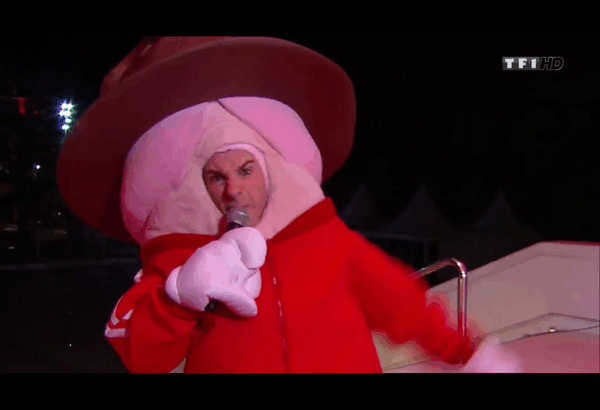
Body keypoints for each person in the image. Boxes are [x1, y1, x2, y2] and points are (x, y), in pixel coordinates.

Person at [56, 37, 523, 373]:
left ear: (270, 171)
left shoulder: (327, 238)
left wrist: (466, 352)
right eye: (216, 177)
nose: (233, 191)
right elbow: (139, 354)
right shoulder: (182, 258)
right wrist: (180, 296)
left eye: (246, 170)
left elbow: (399, 302)